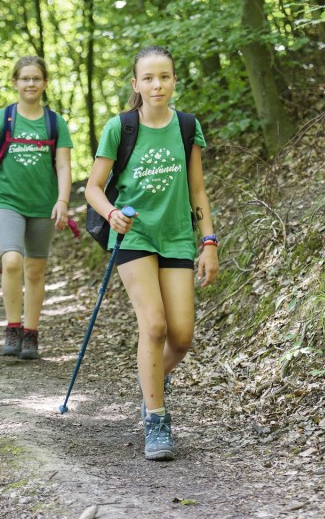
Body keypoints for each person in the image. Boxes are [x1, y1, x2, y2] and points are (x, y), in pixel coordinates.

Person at [85, 45, 219, 461]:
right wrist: (110, 213)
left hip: (177, 237)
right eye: (148, 78)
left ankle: (149, 386)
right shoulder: (120, 128)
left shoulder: (186, 127)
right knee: (155, 326)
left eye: (164, 77)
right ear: (136, 84)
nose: (157, 85)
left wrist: (209, 242)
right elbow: (92, 187)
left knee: (181, 337)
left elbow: (197, 189)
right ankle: (156, 419)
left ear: (175, 80)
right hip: (134, 237)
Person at [0, 56, 73, 360]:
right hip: (7, 202)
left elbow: (64, 166)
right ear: (15, 82)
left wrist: (63, 202)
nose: (30, 83)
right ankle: (12, 328)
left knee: (36, 270)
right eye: (25, 78)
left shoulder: (55, 122)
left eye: (36, 78)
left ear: (45, 83)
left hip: (43, 204)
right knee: (12, 260)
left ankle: (31, 333)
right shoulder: (2, 119)